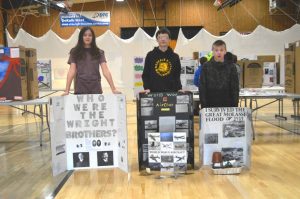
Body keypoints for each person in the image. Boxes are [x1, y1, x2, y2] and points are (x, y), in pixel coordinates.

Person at [63, 26, 120, 95]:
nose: (87, 37)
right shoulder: (75, 52)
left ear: (93, 38)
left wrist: (113, 89)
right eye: (85, 35)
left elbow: (106, 71)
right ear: (81, 37)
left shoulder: (99, 52)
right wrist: (67, 90)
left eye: (90, 35)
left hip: (95, 88)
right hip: (80, 88)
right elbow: (71, 71)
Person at [199, 40, 239, 108]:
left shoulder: (231, 66)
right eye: (216, 50)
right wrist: (203, 105)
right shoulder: (206, 66)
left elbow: (235, 87)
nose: (219, 52)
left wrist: (234, 105)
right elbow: (202, 87)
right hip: (210, 104)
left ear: (225, 51)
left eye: (221, 50)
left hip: (228, 104)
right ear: (212, 51)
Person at [142, 27, 182, 93]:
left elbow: (177, 75)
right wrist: (147, 88)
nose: (163, 39)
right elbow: (146, 74)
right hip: (153, 92)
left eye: (165, 37)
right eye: (160, 37)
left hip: (171, 93)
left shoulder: (175, 57)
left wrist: (179, 88)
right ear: (157, 40)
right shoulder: (150, 55)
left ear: (169, 40)